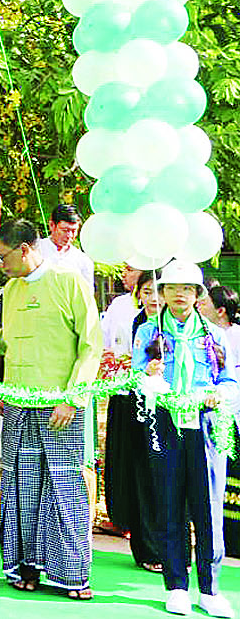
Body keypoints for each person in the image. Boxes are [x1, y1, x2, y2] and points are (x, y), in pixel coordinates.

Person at [0, 219, 102, 599]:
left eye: (2, 257)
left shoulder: (70, 282)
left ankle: (72, 576)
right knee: (21, 490)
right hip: (19, 405)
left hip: (60, 409)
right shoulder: (11, 289)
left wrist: (72, 397)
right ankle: (25, 569)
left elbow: (91, 345)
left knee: (64, 489)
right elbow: (9, 337)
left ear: (24, 249)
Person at [133, 262, 237, 618]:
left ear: (197, 295)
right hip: (165, 423)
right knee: (169, 503)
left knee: (209, 506)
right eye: (173, 287)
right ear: (162, 293)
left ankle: (210, 590)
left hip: (206, 425)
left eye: (188, 288)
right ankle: (176, 586)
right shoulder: (149, 331)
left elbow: (230, 382)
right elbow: (135, 377)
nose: (180, 294)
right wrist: (148, 373)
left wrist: (218, 394)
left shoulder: (215, 335)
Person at [103, 270, 164, 572]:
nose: (153, 298)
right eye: (147, 291)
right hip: (131, 402)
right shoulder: (130, 316)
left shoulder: (179, 325)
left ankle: (169, 547)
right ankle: (147, 547)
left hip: (169, 408)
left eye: (158, 291)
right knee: (139, 475)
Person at [0, 190, 94, 294]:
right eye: (64, 230)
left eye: (73, 231)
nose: (69, 235)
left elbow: (87, 296)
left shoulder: (83, 261)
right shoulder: (33, 247)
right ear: (52, 225)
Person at [203, 286, 240, 559]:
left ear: (220, 311)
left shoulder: (234, 337)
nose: (199, 306)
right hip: (216, 415)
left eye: (205, 303)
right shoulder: (204, 335)